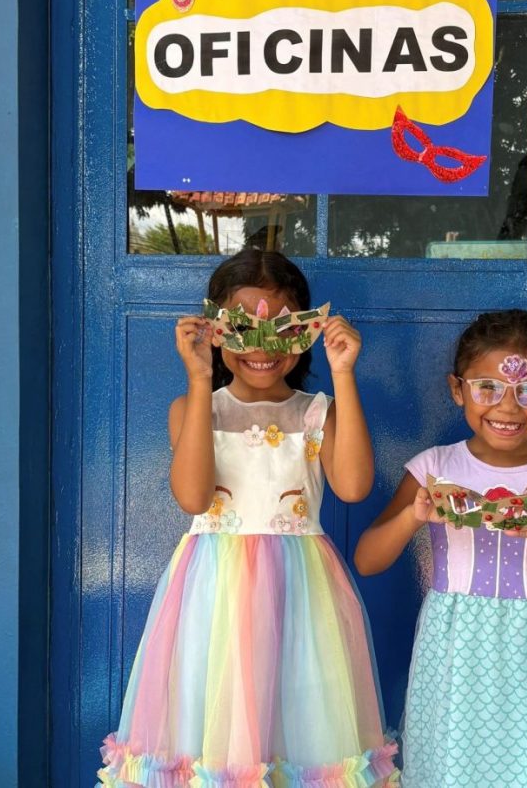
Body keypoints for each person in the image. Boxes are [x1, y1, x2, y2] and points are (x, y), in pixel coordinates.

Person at [98, 249, 397, 787]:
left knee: (298, 716)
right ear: (215, 330)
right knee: (214, 719)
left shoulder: (319, 412)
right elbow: (193, 498)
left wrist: (344, 373)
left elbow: (353, 486)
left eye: (281, 330)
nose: (261, 349)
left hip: (301, 593)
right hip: (212, 594)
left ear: (306, 333)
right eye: (242, 330)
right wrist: (198, 379)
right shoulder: (194, 409)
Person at [355, 309, 527, 788]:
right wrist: (413, 516)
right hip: (454, 649)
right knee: (450, 767)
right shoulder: (433, 467)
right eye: (487, 388)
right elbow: (368, 560)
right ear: (457, 389)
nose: (508, 407)